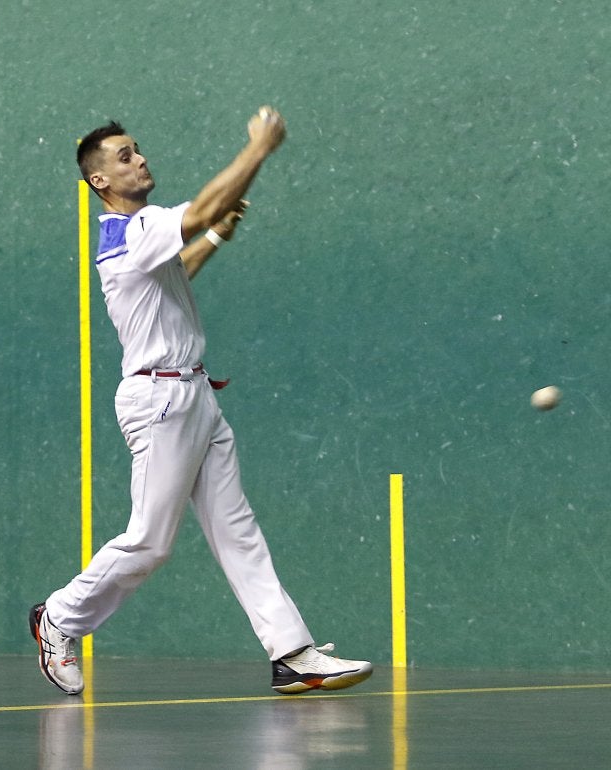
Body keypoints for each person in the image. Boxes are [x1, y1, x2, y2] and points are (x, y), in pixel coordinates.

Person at [30, 108, 372, 696]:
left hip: (193, 393)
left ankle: (291, 652)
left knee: (238, 531)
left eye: (138, 149)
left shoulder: (138, 240)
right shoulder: (128, 230)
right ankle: (59, 616)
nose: (140, 159)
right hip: (159, 399)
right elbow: (207, 205)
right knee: (150, 541)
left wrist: (214, 237)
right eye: (124, 156)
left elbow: (179, 267)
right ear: (99, 182)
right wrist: (258, 150)